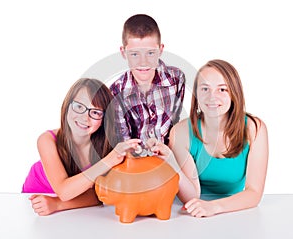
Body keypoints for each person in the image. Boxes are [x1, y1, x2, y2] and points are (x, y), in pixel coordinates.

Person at [22, 78, 141, 215]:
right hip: (34, 202)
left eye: (95, 112)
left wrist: (57, 204)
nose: (85, 118)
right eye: (79, 107)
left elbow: (98, 196)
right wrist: (110, 160)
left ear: (104, 119)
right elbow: (64, 191)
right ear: (67, 106)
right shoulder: (47, 140)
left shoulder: (104, 148)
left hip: (70, 208)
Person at [168, 59, 269, 217]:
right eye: (205, 89)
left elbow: (254, 193)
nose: (212, 97)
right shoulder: (180, 132)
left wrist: (214, 207)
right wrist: (168, 160)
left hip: (236, 211)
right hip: (189, 212)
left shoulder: (254, 129)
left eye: (222, 90)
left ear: (234, 93)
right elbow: (192, 196)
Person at [110, 14, 186, 145]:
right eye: (134, 54)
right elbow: (124, 143)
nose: (143, 62)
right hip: (135, 159)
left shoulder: (176, 79)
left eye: (150, 53)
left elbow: (175, 125)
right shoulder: (116, 92)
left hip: (169, 153)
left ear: (160, 50)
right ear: (123, 52)